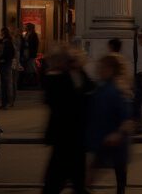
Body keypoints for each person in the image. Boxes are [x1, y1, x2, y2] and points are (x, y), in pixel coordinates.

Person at [42, 47, 94, 194]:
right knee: (55, 180)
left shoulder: (79, 74)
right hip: (63, 136)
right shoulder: (56, 78)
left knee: (75, 179)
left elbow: (90, 90)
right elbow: (55, 101)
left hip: (76, 136)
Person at [86, 55, 133, 194]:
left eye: (102, 68)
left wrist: (118, 134)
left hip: (112, 140)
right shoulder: (103, 87)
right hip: (104, 137)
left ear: (110, 70)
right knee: (95, 171)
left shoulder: (116, 90)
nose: (99, 71)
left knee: (117, 174)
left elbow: (126, 118)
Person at [0, 27, 17, 109]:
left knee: (6, 83)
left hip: (5, 64)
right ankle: (7, 102)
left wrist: (2, 59)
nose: (0, 33)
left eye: (1, 32)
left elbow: (9, 53)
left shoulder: (6, 42)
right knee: (6, 83)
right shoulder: (8, 41)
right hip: (6, 63)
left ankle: (7, 102)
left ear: (3, 33)